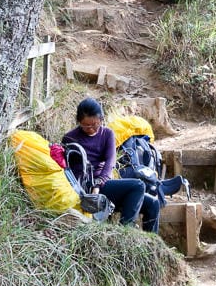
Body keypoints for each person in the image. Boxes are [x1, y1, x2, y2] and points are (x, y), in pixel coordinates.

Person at [61, 98, 161, 232]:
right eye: (86, 126)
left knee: (153, 204)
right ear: (79, 122)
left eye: (95, 124)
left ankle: (150, 243)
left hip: (102, 184)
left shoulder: (107, 134)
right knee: (138, 185)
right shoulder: (70, 138)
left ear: (101, 119)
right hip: (85, 187)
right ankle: (126, 231)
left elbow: (110, 162)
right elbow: (72, 169)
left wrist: (98, 184)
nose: (90, 129)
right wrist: (92, 188)